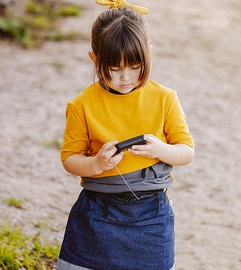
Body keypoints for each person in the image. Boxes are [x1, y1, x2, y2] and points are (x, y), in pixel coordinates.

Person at [57, 1, 194, 269]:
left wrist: (161, 150)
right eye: (114, 69)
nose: (125, 78)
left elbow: (187, 151)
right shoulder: (82, 104)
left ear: (149, 55)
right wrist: (96, 164)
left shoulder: (165, 98)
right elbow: (69, 159)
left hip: (151, 215)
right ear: (94, 59)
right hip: (96, 212)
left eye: (135, 66)